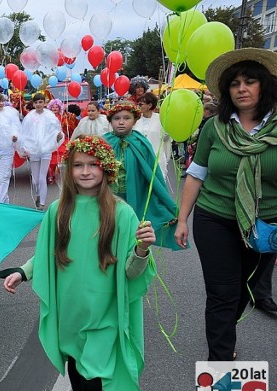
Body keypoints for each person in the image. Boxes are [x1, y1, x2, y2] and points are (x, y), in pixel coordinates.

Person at [1, 135, 156, 391]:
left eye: (94, 165)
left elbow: (132, 273)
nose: (86, 171)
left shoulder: (122, 214)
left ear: (107, 169)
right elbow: (46, 253)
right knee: (73, 364)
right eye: (79, 165)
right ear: (69, 170)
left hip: (103, 316)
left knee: (92, 376)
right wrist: (23, 272)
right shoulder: (58, 210)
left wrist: (142, 249)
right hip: (69, 311)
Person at [175, 48, 277, 360]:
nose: (242, 89)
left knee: (244, 292)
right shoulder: (215, 127)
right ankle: (219, 362)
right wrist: (182, 219)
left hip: (265, 225)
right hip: (214, 219)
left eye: (249, 82)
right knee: (221, 293)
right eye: (234, 84)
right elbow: (196, 173)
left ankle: (225, 332)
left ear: (264, 86)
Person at [103, 102, 180, 249]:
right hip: (108, 196)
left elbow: (153, 174)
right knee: (109, 233)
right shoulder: (104, 142)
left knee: (133, 234)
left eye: (126, 118)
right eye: (116, 118)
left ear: (134, 120)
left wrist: (166, 203)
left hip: (134, 194)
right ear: (110, 121)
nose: (121, 122)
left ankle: (135, 261)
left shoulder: (141, 142)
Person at [20, 93, 63, 210]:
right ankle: (38, 195)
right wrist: (24, 147)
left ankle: (42, 204)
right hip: (33, 151)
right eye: (36, 102)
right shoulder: (29, 117)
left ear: (45, 103)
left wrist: (58, 137)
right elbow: (25, 133)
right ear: (33, 104)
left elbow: (55, 130)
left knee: (41, 177)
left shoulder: (50, 116)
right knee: (35, 180)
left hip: (46, 150)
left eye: (41, 102)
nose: (39, 104)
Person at [133, 93, 170, 179]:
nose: (139, 106)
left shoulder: (160, 119)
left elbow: (166, 137)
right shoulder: (136, 120)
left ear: (150, 105)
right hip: (140, 156)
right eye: (138, 104)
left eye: (141, 104)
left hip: (156, 155)